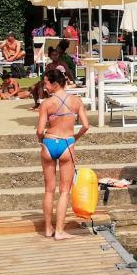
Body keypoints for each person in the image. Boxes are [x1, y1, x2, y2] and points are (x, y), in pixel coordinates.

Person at [35, 67, 90, 239]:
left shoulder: (46, 103)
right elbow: (86, 125)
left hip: (49, 142)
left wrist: (41, 140)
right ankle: (59, 230)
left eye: (46, 84)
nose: (44, 88)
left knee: (49, 190)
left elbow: (39, 130)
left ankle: (48, 229)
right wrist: (75, 138)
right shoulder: (76, 101)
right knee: (64, 191)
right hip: (67, 143)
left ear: (55, 83)